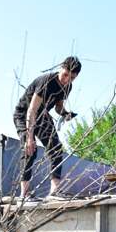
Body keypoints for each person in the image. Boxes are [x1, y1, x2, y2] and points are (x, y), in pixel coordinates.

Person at [12, 56, 81, 199]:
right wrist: (30, 137)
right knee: (30, 148)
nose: (67, 80)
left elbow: (58, 107)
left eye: (72, 78)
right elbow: (32, 110)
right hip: (25, 113)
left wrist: (65, 114)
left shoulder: (68, 87)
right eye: (65, 75)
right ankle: (24, 194)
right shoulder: (47, 81)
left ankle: (54, 191)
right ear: (61, 68)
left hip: (42, 115)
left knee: (56, 148)